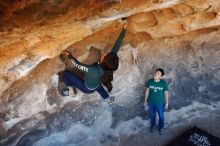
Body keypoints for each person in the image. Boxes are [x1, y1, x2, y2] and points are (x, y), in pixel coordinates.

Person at [59, 23, 128, 104]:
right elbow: (116, 47)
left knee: (65, 73)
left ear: (103, 60)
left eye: (105, 56)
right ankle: (109, 100)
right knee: (100, 88)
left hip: (87, 88)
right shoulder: (109, 66)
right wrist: (124, 30)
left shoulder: (93, 70)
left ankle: (71, 91)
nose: (105, 54)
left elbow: (78, 65)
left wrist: (69, 55)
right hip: (96, 84)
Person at [144, 68, 169, 135]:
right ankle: (153, 125)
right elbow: (147, 91)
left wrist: (166, 103)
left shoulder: (163, 84)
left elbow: (166, 93)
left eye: (158, 73)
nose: (155, 74)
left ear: (161, 76)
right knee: (152, 115)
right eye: (155, 72)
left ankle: (161, 127)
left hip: (160, 103)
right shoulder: (150, 81)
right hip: (151, 102)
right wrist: (145, 101)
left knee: (161, 116)